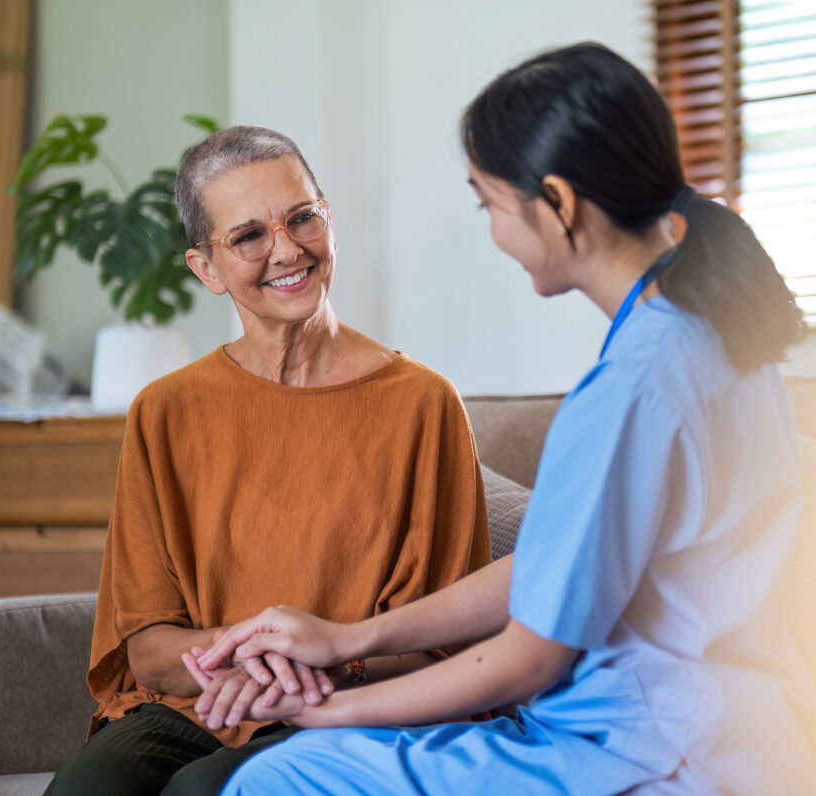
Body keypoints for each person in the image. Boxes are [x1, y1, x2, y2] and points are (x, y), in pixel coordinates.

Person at [188, 43, 816, 795]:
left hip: (654, 753)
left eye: (487, 203)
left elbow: (530, 658)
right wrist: (348, 638)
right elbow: (562, 563)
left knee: (279, 777)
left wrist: (322, 709)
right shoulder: (718, 335)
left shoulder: (630, 390)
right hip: (741, 732)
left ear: (557, 203)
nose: (492, 231)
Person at [43, 126, 491, 796]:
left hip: (354, 704)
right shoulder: (165, 410)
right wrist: (257, 664)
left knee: (206, 791)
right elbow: (149, 650)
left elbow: (448, 646)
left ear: (329, 222)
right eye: (249, 236)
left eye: (303, 217)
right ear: (207, 269)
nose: (287, 249)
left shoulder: (424, 404)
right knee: (90, 787)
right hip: (202, 701)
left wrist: (312, 669)